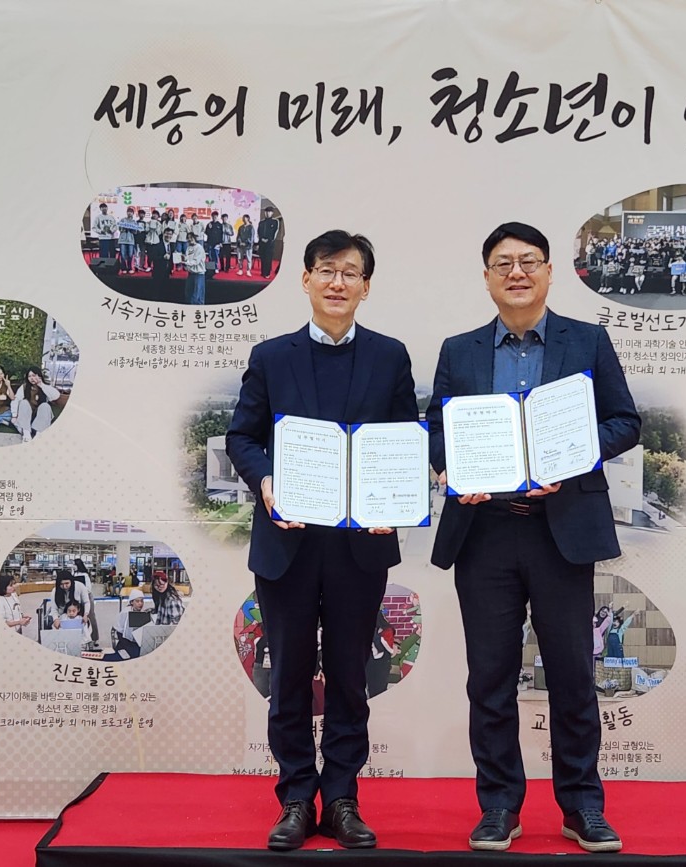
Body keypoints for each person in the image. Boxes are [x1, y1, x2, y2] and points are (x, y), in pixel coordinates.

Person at [426, 222, 640, 854]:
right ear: (487, 277)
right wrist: (451, 468)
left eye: (528, 262)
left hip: (560, 532)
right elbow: (436, 427)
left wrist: (571, 456)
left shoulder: (588, 340)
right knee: (489, 679)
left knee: (572, 676)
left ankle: (582, 807)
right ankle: (498, 807)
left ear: (548, 272)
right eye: (503, 264)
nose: (516, 273)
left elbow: (625, 421)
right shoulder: (459, 350)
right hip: (484, 533)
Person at [225, 229, 417, 851]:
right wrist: (266, 481)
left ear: (366, 286)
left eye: (350, 272)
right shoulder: (271, 356)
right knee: (288, 677)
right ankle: (294, 799)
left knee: (350, 677)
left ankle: (341, 799)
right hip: (288, 544)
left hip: (360, 545)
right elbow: (242, 437)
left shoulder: (390, 356)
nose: (338, 282)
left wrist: (394, 499)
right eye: (327, 270)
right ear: (305, 279)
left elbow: (403, 440)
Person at [12, 366, 60, 443]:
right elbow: (16, 400)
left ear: (39, 376)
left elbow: (56, 396)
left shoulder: (45, 387)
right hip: (26, 418)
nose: (32, 378)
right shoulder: (24, 387)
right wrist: (14, 415)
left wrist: (41, 385)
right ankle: (26, 434)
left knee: (45, 406)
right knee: (24, 402)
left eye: (34, 375)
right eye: (29, 376)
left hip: (40, 419)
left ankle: (39, 434)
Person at [52, 570, 96, 643]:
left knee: (87, 623)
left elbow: (86, 602)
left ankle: (90, 641)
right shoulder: (55, 591)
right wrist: (56, 619)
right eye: (61, 584)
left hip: (79, 613)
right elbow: (54, 608)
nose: (64, 586)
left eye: (67, 583)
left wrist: (86, 614)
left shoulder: (80, 586)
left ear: (71, 581)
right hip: (63, 615)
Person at [365, 611, 396, 698]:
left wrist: (374, 635)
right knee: (370, 689)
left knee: (379, 690)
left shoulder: (387, 630)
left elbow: (387, 648)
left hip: (382, 664)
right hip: (369, 663)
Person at [112, 589, 149, 659]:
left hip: (135, 638)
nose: (140, 603)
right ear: (132, 602)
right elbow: (124, 633)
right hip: (123, 637)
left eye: (142, 601)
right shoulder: (126, 613)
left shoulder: (142, 612)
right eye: (137, 601)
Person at [184, 233, 208, 305]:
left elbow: (196, 261)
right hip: (191, 273)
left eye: (191, 237)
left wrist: (186, 262)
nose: (189, 239)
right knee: (188, 293)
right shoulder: (188, 248)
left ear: (194, 238)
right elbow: (187, 258)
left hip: (199, 274)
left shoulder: (199, 248)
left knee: (197, 295)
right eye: (188, 238)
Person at [258, 207, 281, 278]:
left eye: (269, 212)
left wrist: (269, 240)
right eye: (266, 212)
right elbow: (259, 232)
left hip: (270, 243)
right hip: (262, 242)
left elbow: (275, 232)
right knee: (263, 258)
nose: (267, 213)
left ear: (272, 213)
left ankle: (267, 273)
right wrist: (261, 238)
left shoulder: (275, 221)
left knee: (268, 258)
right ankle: (263, 272)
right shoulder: (261, 222)